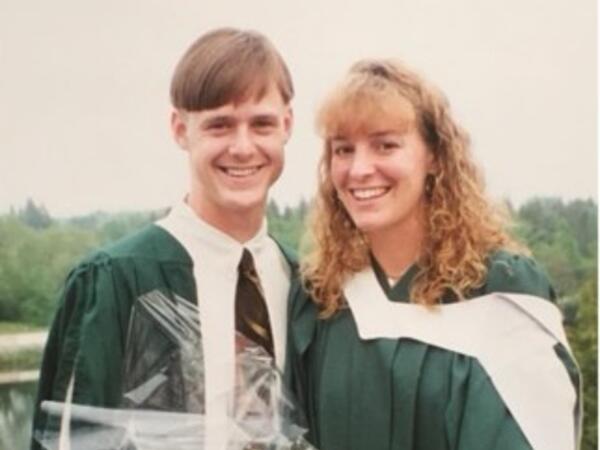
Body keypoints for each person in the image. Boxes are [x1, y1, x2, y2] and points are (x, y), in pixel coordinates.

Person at [289, 60, 581, 450]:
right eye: (343, 149)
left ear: (435, 156)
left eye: (385, 145)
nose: (359, 169)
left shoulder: (502, 294)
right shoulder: (320, 301)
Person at [32, 27, 296, 450]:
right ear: (179, 129)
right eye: (219, 125)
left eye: (261, 124)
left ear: (287, 125)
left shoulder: (302, 284)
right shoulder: (116, 281)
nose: (243, 147)